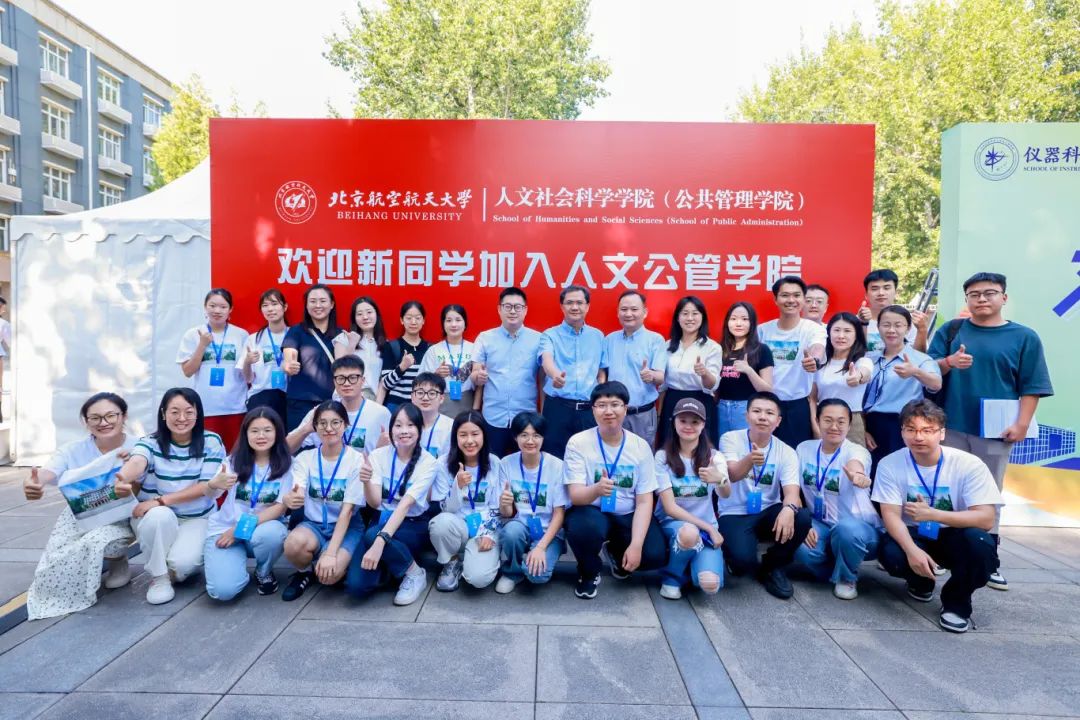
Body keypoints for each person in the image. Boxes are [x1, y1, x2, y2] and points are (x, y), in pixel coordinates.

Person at [928, 271, 1053, 593]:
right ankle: (943, 552)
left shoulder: (1024, 337)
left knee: (988, 493)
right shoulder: (951, 330)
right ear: (966, 299)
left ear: (1004, 297)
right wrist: (949, 362)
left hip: (996, 431)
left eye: (989, 293)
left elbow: (1032, 385)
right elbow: (928, 370)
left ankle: (988, 559)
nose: (981, 299)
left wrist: (1022, 423)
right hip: (950, 426)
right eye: (974, 294)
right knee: (946, 489)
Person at [872, 399, 1002, 633]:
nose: (918, 437)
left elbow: (986, 519)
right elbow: (890, 515)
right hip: (916, 534)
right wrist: (912, 551)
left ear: (942, 433)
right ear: (902, 432)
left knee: (980, 545)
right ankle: (921, 582)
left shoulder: (969, 464)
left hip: (955, 535)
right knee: (891, 551)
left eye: (927, 430)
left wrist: (934, 514)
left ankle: (956, 603)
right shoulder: (890, 464)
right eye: (911, 429)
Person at [24, 393, 136, 619]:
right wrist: (34, 482)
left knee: (96, 541)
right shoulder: (73, 450)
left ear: (123, 416)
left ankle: (118, 560)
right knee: (57, 555)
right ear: (86, 422)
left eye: (110, 415)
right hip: (84, 515)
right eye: (95, 418)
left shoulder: (139, 446)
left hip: (126, 517)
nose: (103, 423)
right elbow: (48, 472)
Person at [114, 388, 227, 604]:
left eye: (188, 412)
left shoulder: (211, 441)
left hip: (196, 517)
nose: (182, 418)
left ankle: (167, 564)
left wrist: (160, 500)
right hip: (156, 517)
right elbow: (137, 461)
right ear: (163, 414)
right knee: (160, 515)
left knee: (183, 565)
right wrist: (123, 478)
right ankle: (159, 578)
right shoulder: (149, 442)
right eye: (174, 412)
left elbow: (205, 486)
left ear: (198, 414)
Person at [563, 381, 665, 599]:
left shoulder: (640, 446)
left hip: (627, 513)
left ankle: (617, 552)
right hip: (592, 510)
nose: (608, 411)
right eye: (601, 405)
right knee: (582, 529)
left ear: (625, 409)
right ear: (593, 410)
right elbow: (576, 496)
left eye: (615, 404)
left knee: (654, 554)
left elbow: (645, 501)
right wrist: (596, 489)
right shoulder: (578, 443)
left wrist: (636, 545)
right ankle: (588, 571)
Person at [717, 391, 811, 599]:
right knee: (743, 564)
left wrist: (789, 509)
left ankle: (773, 565)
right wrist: (750, 459)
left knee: (802, 517)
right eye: (757, 411)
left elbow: (792, 492)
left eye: (769, 413)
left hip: (769, 510)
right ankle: (736, 557)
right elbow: (732, 475)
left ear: (778, 421)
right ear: (746, 415)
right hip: (734, 512)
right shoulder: (730, 439)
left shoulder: (786, 451)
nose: (762, 417)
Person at [346, 403, 442, 605]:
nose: (404, 431)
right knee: (356, 586)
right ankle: (393, 569)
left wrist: (379, 541)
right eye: (398, 425)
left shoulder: (428, 462)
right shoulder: (378, 456)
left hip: (413, 524)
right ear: (391, 429)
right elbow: (375, 502)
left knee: (372, 535)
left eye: (410, 425)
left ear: (420, 429)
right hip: (381, 518)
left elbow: (405, 506)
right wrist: (366, 481)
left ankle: (415, 573)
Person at [279, 400, 367, 602]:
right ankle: (305, 572)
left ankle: (328, 556)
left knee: (330, 576)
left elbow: (347, 512)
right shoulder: (305, 458)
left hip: (347, 526)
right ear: (315, 427)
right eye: (322, 423)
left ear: (345, 425)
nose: (329, 428)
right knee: (292, 545)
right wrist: (290, 498)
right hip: (313, 525)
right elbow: (298, 489)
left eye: (335, 422)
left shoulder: (356, 460)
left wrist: (331, 554)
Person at [792, 399, 879, 600]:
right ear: (817, 421)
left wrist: (858, 476)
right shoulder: (804, 448)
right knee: (800, 547)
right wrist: (803, 523)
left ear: (849, 425)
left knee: (846, 529)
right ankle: (836, 568)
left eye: (841, 422)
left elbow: (856, 465)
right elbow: (794, 488)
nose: (834, 427)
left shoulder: (856, 451)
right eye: (828, 420)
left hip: (858, 529)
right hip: (820, 523)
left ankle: (847, 578)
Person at [203, 407, 290, 600]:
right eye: (255, 430)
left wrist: (239, 530)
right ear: (246, 434)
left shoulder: (288, 465)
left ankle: (263, 571)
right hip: (225, 528)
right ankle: (231, 566)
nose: (261, 436)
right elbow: (210, 495)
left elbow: (280, 507)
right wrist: (213, 484)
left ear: (277, 432)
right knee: (223, 591)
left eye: (267, 430)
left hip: (259, 529)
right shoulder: (232, 462)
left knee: (273, 534)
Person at [654, 398, 730, 600]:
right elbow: (669, 508)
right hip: (674, 524)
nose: (688, 426)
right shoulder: (662, 457)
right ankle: (672, 577)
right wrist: (709, 528)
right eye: (683, 421)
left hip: (705, 527)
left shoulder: (714, 457)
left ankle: (687, 563)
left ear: (703, 424)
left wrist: (721, 480)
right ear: (674, 422)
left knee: (710, 585)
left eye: (695, 422)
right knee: (689, 533)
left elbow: (726, 494)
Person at [493, 411, 568, 594]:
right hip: (521, 527)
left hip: (549, 532)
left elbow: (559, 514)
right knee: (511, 532)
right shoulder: (506, 463)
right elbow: (506, 514)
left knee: (537, 575)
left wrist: (541, 547)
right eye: (524, 435)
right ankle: (512, 572)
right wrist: (504, 503)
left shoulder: (557, 466)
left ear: (543, 437)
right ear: (515, 437)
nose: (530, 441)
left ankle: (536, 555)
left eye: (536, 435)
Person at [428, 411, 503, 591]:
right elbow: (446, 509)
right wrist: (458, 486)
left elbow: (496, 507)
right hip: (457, 525)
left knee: (478, 578)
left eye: (475, 434)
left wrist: (488, 533)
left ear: (484, 435)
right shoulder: (443, 464)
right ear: (455, 437)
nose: (469, 441)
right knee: (439, 524)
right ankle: (452, 561)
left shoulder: (494, 463)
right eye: (463, 435)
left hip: (484, 527)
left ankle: (476, 558)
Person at [863, 305, 942, 473]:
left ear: (908, 328)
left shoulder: (920, 359)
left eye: (898, 325)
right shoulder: (870, 359)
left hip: (903, 424)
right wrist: (863, 428)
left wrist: (916, 372)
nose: (891, 330)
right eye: (886, 325)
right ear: (878, 327)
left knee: (900, 473)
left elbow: (936, 384)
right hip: (870, 424)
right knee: (872, 473)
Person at [471, 287, 544, 456]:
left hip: (526, 417)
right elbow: (475, 372)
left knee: (525, 466)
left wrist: (543, 412)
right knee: (492, 464)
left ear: (525, 310)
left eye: (518, 307)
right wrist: (478, 377)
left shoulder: (539, 339)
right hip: (493, 416)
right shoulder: (485, 338)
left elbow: (542, 379)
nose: (512, 311)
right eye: (508, 306)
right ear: (499, 309)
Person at [539, 285, 608, 458]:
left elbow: (601, 372)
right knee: (553, 458)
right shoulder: (550, 335)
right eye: (569, 303)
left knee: (589, 458)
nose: (575, 307)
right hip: (557, 408)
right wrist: (555, 375)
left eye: (579, 303)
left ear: (587, 306)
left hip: (588, 410)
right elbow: (547, 360)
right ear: (562, 307)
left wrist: (601, 397)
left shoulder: (598, 336)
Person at [757, 276, 826, 448]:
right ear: (775, 299)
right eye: (785, 295)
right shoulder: (762, 331)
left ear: (803, 299)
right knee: (763, 453)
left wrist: (814, 360)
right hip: (765, 404)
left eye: (796, 295)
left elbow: (817, 347)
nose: (791, 300)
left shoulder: (812, 329)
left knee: (797, 453)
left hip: (797, 406)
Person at [177, 288, 250, 448]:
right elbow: (188, 371)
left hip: (235, 407)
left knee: (235, 453)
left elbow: (248, 374)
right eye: (212, 306)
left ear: (230, 309)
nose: (217, 311)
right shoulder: (193, 334)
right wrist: (202, 345)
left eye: (223, 307)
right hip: (205, 407)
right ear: (205, 307)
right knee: (208, 452)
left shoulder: (241, 335)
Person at [286, 356, 391, 456]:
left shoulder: (380, 413)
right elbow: (285, 448)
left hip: (365, 469)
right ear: (334, 382)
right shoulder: (321, 412)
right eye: (341, 378)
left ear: (362, 381)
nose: (346, 383)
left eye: (353, 378)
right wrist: (305, 430)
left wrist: (380, 451)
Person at [602, 290, 667, 448]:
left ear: (645, 312)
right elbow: (603, 373)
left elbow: (661, 377)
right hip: (614, 413)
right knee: (611, 454)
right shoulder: (609, 339)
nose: (628, 314)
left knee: (642, 456)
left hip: (642, 414)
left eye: (634, 309)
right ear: (618, 313)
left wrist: (651, 375)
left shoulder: (655, 340)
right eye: (624, 309)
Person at [658, 296, 721, 448]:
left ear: (702, 317)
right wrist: (659, 414)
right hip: (672, 401)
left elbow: (713, 385)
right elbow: (663, 386)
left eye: (695, 313)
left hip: (700, 401)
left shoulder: (712, 347)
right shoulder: (668, 346)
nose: (690, 318)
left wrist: (704, 373)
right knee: (670, 448)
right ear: (678, 318)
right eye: (685, 313)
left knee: (701, 449)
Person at [281, 284, 345, 432]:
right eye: (313, 301)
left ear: (332, 304)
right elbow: (288, 358)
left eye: (322, 301)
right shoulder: (296, 331)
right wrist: (288, 366)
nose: (318, 305)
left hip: (332, 402)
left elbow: (345, 367)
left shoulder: (341, 334)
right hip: (300, 402)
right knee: (298, 442)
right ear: (306, 305)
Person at [810, 312, 871, 445]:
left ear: (856, 335)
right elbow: (812, 398)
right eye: (836, 330)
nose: (841, 336)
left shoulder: (863, 361)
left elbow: (865, 373)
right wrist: (815, 425)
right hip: (823, 419)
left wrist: (858, 377)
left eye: (847, 331)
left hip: (852, 420)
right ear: (829, 333)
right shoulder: (821, 361)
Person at [716, 301, 774, 436]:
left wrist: (749, 370)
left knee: (745, 446)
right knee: (723, 446)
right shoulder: (720, 349)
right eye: (733, 319)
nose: (738, 323)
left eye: (744, 319)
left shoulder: (762, 350)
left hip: (746, 410)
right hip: (721, 409)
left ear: (752, 323)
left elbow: (768, 390)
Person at [418, 304, 476, 417]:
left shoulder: (474, 349)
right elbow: (420, 381)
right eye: (449, 320)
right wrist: (436, 375)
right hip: (441, 404)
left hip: (468, 403)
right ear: (443, 324)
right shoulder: (434, 350)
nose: (453, 324)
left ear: (465, 323)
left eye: (458, 320)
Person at [240, 289, 290, 421]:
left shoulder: (295, 335)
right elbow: (248, 379)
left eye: (274, 304)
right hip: (260, 397)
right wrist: (247, 362)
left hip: (288, 398)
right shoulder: (254, 339)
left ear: (285, 307)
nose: (270, 309)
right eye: (265, 305)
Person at [858, 269, 928, 353]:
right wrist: (863, 323)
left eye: (886, 288)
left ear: (895, 292)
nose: (881, 293)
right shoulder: (855, 321)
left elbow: (920, 355)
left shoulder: (909, 319)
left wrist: (922, 330)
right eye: (874, 289)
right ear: (866, 295)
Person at [378, 300, 430, 412]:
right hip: (396, 407)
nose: (413, 322)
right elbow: (385, 384)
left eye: (418, 318)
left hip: (422, 408)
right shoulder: (392, 346)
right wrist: (402, 367)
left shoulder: (430, 349)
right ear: (402, 320)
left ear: (423, 321)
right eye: (409, 318)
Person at [333, 296, 386, 401]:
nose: (365, 317)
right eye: (359, 314)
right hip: (345, 397)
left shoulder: (384, 344)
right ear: (354, 318)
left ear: (376, 314)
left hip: (371, 400)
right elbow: (339, 369)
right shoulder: (343, 339)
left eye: (369, 312)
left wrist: (378, 404)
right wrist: (352, 344)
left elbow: (384, 380)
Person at [411, 372, 454, 459]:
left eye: (432, 393)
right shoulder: (403, 425)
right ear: (412, 397)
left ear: (441, 398)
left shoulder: (451, 427)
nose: (425, 398)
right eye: (420, 393)